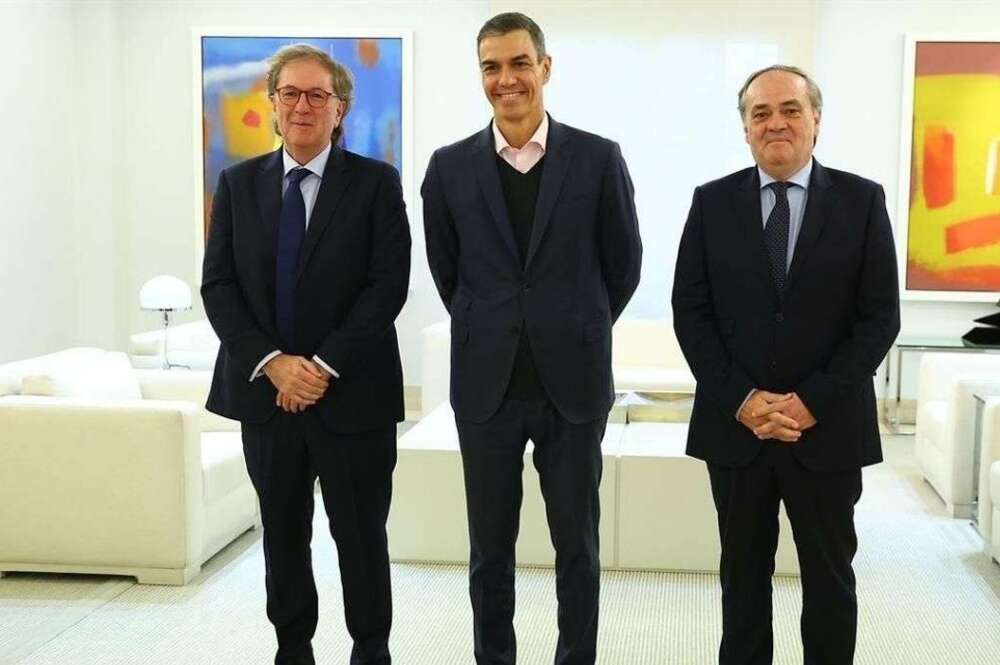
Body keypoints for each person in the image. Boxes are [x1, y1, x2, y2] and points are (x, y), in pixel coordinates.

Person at [421, 12, 642, 665]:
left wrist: (575, 324)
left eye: (519, 63)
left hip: (572, 386)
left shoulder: (598, 159)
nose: (506, 79)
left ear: (545, 67)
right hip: (485, 386)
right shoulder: (449, 167)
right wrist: (494, 321)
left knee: (578, 547)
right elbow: (448, 271)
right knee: (489, 551)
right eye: (491, 66)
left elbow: (623, 265)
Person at [671, 64, 900, 665]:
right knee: (741, 580)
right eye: (761, 113)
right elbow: (691, 314)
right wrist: (742, 400)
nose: (776, 123)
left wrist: (811, 402)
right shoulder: (711, 202)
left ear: (816, 120)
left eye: (790, 110)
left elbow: (879, 319)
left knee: (829, 580)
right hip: (736, 430)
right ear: (745, 128)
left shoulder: (862, 201)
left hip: (827, 429)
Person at [201, 43, 410, 665]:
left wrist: (320, 367)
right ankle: (293, 649)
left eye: (318, 95)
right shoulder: (237, 185)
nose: (302, 106)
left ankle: (371, 650)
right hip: (267, 400)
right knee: (283, 538)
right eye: (290, 93)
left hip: (354, 397)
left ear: (339, 108)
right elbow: (219, 287)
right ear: (271, 103)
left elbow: (387, 286)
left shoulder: (376, 183)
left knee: (361, 539)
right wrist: (274, 364)